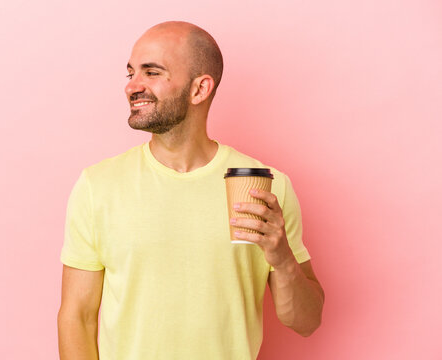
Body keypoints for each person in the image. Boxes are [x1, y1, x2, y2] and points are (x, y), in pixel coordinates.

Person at [57, 21, 324, 360]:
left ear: (200, 89)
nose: (132, 87)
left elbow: (307, 321)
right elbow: (76, 317)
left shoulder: (265, 187)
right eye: (131, 74)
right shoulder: (98, 186)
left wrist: (283, 260)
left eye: (152, 73)